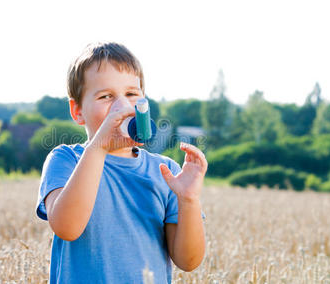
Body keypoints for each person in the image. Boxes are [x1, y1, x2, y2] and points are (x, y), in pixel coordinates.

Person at [36, 42, 208, 284]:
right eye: (106, 96)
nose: (122, 106)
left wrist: (189, 199)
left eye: (131, 94)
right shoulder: (65, 160)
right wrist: (99, 147)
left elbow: (188, 262)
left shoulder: (166, 172)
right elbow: (67, 227)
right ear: (77, 111)